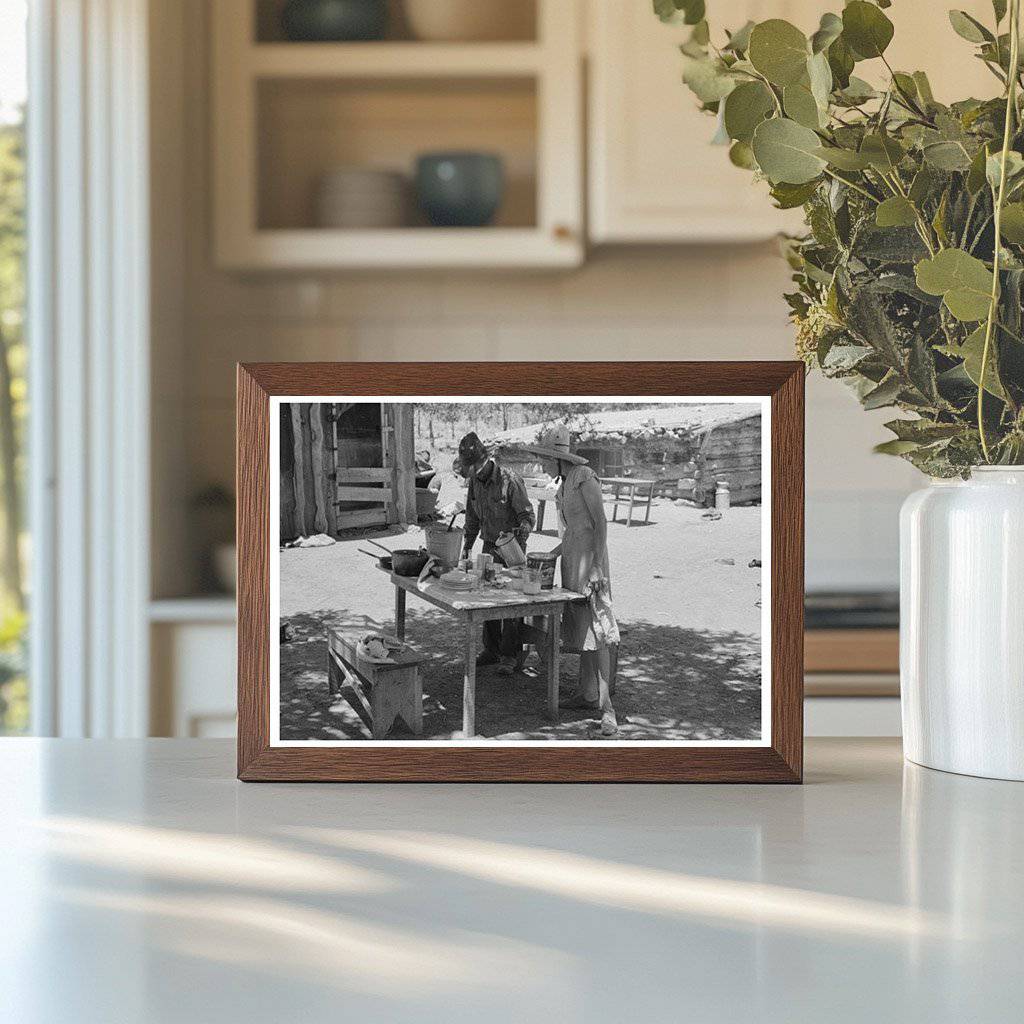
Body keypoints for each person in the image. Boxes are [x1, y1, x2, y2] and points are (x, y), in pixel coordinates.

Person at [526, 425, 618, 737]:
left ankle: (608, 712)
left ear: (558, 458)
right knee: (584, 632)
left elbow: (599, 522)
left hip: (590, 564)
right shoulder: (564, 484)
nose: (542, 465)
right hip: (572, 563)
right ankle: (587, 694)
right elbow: (572, 531)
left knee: (600, 632)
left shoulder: (583, 477)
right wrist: (552, 554)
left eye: (545, 459)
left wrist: (595, 567)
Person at [458, 431, 535, 674]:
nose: (471, 472)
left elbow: (528, 516)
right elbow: (471, 519)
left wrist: (520, 533)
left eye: (473, 467)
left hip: (511, 549)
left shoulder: (509, 480)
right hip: (488, 547)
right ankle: (491, 650)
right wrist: (467, 548)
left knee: (511, 604)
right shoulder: (474, 482)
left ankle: (510, 656)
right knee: (487, 599)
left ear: (484, 461)